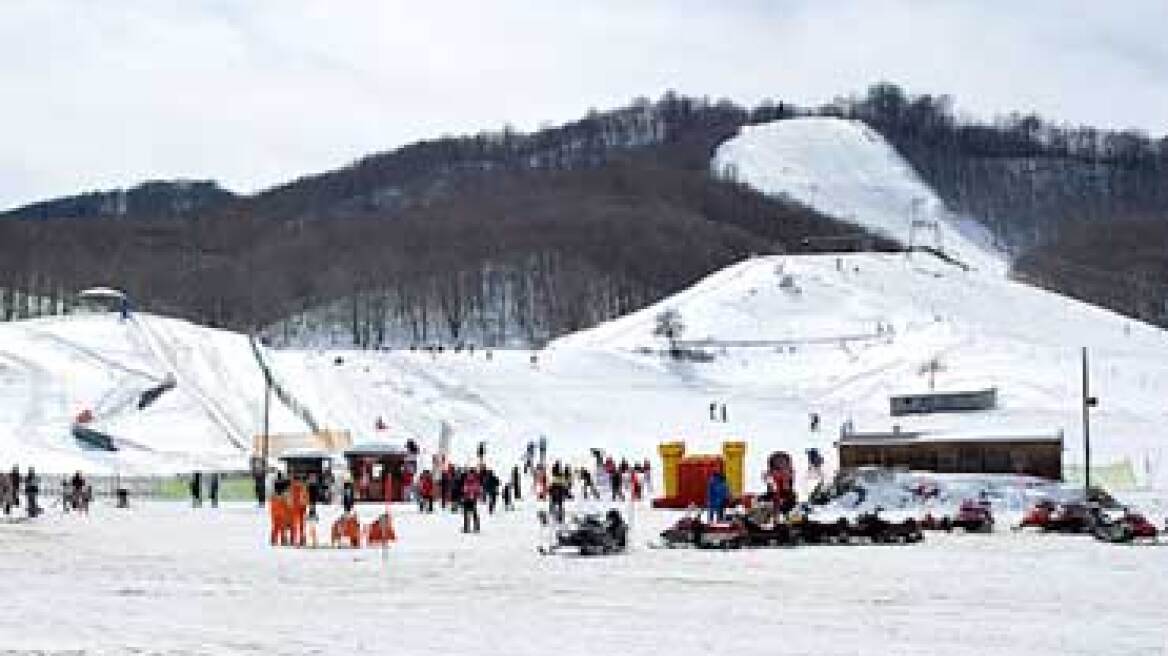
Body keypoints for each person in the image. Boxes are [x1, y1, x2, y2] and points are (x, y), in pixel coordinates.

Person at [461, 468, 481, 533]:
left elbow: (465, 489)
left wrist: (465, 494)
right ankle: (475, 527)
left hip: (468, 499)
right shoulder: (475, 481)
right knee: (473, 513)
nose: (470, 475)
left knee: (467, 513)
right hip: (471, 499)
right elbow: (477, 490)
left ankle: (467, 528)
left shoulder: (467, 480)